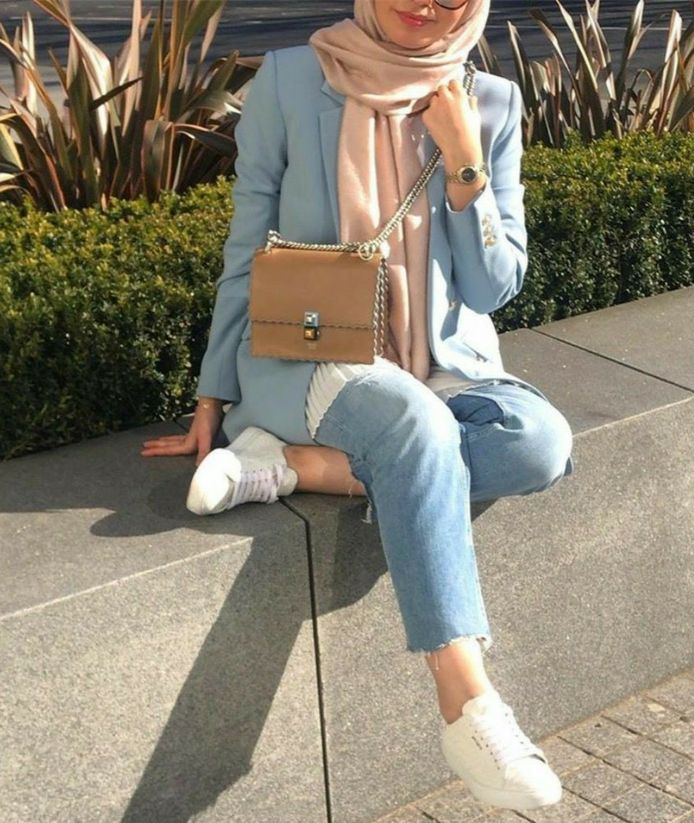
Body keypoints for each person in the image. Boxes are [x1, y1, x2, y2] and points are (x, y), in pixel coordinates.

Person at [142, 0, 574, 811]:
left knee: (538, 441)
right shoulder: (291, 82)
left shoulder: (490, 99)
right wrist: (212, 393)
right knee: (412, 423)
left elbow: (492, 287)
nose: (425, 7)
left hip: (439, 363)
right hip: (306, 357)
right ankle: (467, 704)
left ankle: (290, 467)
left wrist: (465, 163)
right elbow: (248, 244)